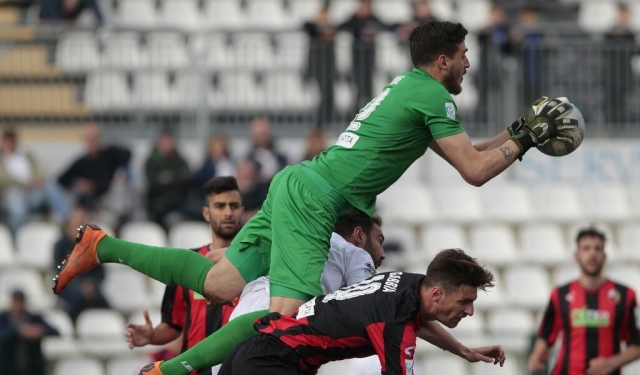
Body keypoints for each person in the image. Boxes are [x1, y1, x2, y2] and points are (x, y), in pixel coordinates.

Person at [54, 20, 573, 375]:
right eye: (463, 56)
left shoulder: (412, 88)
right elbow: (477, 171)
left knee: (217, 284)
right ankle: (171, 370)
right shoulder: (434, 95)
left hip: (297, 182)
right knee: (282, 321)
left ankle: (102, 246)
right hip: (316, 199)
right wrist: (527, 138)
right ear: (443, 59)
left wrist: (516, 131)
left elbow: (471, 153)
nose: (467, 64)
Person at [214, 249, 504, 375]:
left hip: (255, 352)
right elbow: (402, 325)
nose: (470, 310)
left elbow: (418, 320)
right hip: (270, 363)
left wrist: (464, 351)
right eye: (465, 301)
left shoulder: (409, 284)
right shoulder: (394, 322)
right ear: (438, 294)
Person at [207, 212, 385, 375]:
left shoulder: (295, 234)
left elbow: (214, 257)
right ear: (359, 235)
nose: (383, 254)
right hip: (278, 328)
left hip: (246, 310)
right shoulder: (355, 253)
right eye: (380, 241)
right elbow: (366, 306)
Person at [125, 176, 245, 375]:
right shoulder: (186, 264)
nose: (227, 212)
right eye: (220, 206)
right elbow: (174, 325)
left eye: (233, 206)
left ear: (242, 212)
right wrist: (153, 335)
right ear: (206, 213)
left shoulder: (255, 266)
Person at [527, 228, 640, 375]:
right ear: (577, 255)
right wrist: (537, 355)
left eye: (597, 248)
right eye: (586, 248)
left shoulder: (625, 296)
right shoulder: (560, 295)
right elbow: (545, 337)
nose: (592, 253)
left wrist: (612, 362)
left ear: (604, 255)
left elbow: (637, 348)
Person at [0, 128, 71, 234]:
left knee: (50, 186)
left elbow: (41, 169)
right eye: (8, 141)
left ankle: (69, 221)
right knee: (17, 208)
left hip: (32, 192)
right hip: (14, 192)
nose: (10, 143)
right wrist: (27, 183)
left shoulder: (26, 155)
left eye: (12, 140)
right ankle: (16, 238)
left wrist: (38, 179)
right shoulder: (2, 158)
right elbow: (4, 179)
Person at [53, 206, 109, 322]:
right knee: (76, 299)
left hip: (90, 287)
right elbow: (59, 271)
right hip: (69, 287)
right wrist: (79, 285)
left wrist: (91, 283)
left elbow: (101, 272)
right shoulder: (60, 246)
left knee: (104, 303)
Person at [0, 290, 60, 375]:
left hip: (32, 367)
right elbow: (3, 334)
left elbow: (55, 332)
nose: (18, 305)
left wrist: (40, 330)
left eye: (20, 301)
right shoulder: (3, 318)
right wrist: (20, 331)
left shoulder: (34, 318)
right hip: (8, 367)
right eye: (16, 301)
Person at [145, 128, 193, 229]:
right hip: (159, 200)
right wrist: (175, 178)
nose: (167, 144)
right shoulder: (152, 161)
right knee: (158, 208)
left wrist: (166, 178)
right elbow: (153, 183)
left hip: (179, 200)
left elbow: (187, 179)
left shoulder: (180, 160)